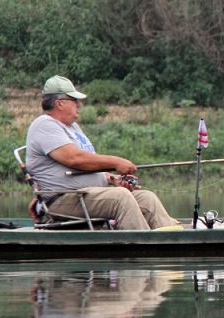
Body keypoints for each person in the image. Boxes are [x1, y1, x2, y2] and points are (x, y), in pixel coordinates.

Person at [25, 75, 179, 230]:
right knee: (121, 197)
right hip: (62, 199)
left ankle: (173, 242)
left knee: (147, 198)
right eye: (74, 100)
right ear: (59, 103)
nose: (79, 105)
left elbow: (87, 165)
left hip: (86, 196)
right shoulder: (45, 125)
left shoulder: (72, 127)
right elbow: (75, 159)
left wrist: (112, 178)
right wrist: (116, 162)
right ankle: (140, 246)